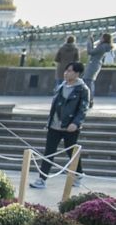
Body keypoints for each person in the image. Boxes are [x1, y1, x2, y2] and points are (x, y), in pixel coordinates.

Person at [36, 61, 91, 189]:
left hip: (70, 127)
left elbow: (83, 109)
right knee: (49, 151)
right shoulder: (61, 86)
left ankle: (78, 174)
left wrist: (76, 123)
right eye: (66, 70)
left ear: (77, 73)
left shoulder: (82, 89)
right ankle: (42, 179)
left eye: (70, 71)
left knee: (71, 150)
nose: (66, 73)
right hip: (54, 125)